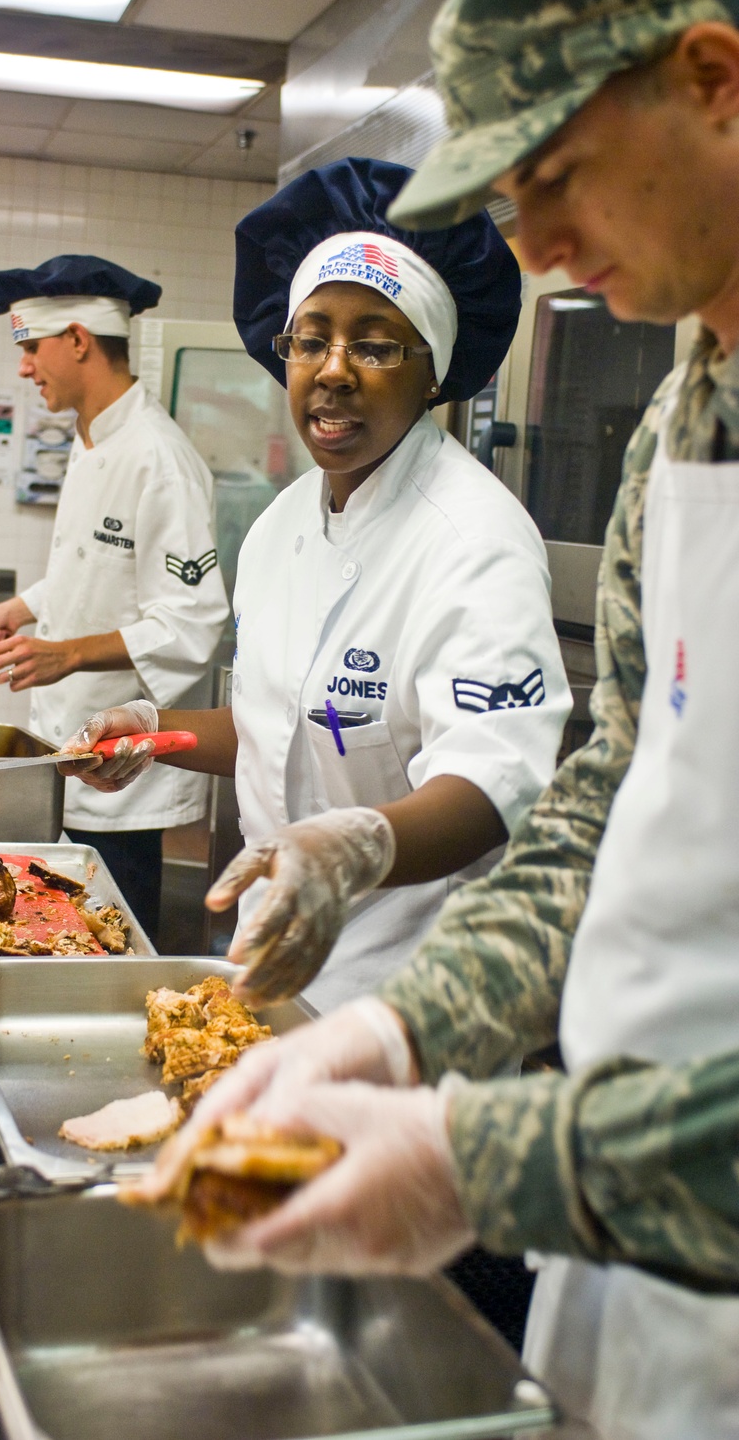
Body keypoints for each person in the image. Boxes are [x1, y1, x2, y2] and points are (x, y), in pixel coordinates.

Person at [135, 0, 739, 1437]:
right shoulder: (687, 420)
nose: (531, 246)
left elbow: (519, 773)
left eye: (553, 172)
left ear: (712, 81)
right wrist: (407, 1035)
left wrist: (491, 1158)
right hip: (635, 1235)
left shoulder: (474, 530)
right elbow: (609, 784)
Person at [63, 159, 571, 1012]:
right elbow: (289, 722)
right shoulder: (281, 527)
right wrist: (157, 733)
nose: (333, 370)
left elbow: (493, 785)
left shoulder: (475, 542)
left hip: (409, 990)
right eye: (311, 339)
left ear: (433, 370)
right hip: (269, 954)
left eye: (375, 344)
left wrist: (355, 847)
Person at [0, 254, 229, 939]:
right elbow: (93, 572)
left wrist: (66, 656)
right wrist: (16, 611)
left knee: (106, 940)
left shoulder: (160, 460)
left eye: (30, 347)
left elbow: (193, 620)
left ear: (78, 340)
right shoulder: (89, 443)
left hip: (121, 768)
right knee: (57, 929)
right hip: (66, 744)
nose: (24, 368)